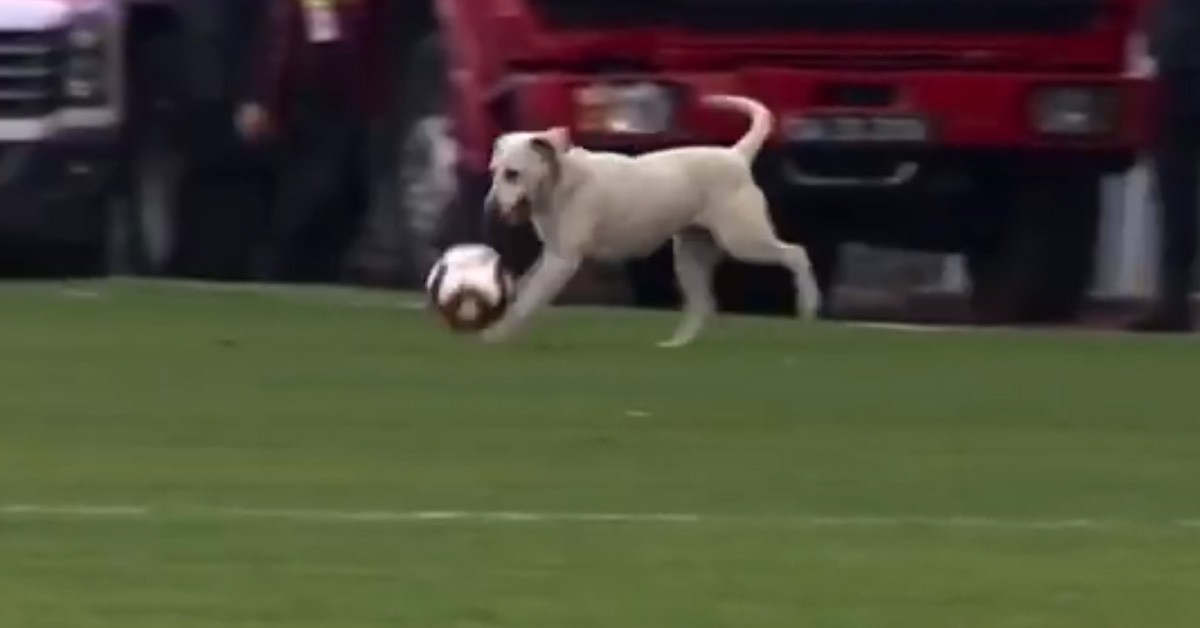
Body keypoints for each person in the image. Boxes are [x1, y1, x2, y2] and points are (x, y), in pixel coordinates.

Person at [237, 0, 388, 283]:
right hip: (314, 98)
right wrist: (268, 101)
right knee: (313, 189)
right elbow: (288, 43)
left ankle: (308, 267)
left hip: (341, 96)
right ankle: (282, 267)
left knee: (343, 189)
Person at [1130, 0, 1200, 332]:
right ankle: (1172, 301)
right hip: (1173, 75)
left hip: (1176, 68)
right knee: (1174, 199)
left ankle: (1172, 302)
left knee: (1175, 199)